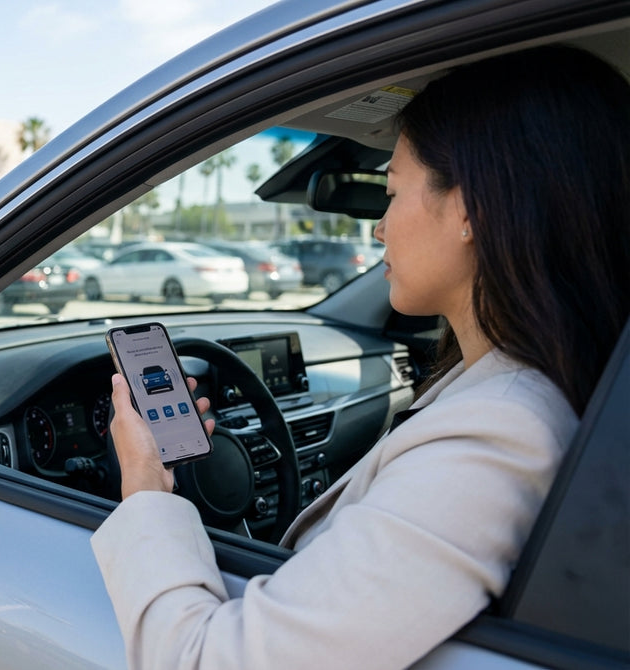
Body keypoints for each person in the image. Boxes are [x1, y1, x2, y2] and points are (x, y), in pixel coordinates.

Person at [91, 45, 630, 670]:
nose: (378, 227)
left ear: (470, 208)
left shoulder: (498, 436)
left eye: (392, 190)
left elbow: (203, 660)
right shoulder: (546, 387)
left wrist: (147, 489)